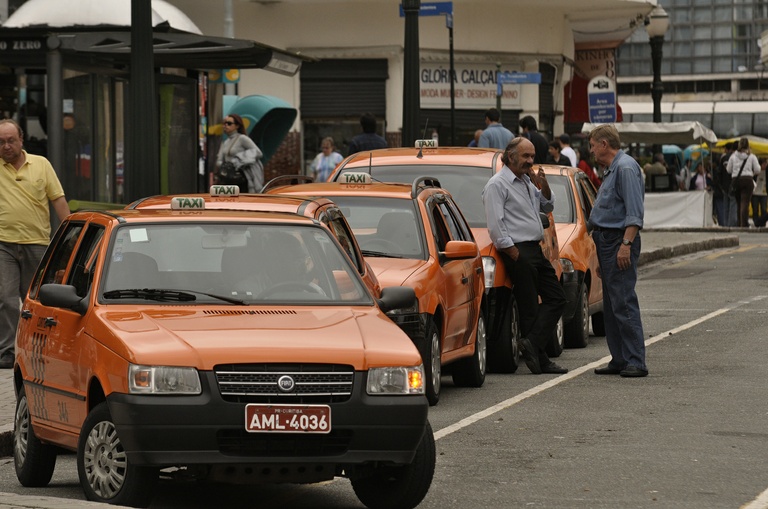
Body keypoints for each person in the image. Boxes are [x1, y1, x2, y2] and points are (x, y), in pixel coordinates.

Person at [482, 137, 567, 375]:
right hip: (518, 249)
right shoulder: (497, 185)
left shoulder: (526, 181)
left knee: (557, 297)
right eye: (525, 156)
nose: (530, 161)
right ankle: (540, 360)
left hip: (534, 248)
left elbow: (546, 207)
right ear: (510, 157)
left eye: (532, 156)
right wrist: (514, 252)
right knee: (529, 305)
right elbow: (496, 225)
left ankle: (531, 344)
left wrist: (544, 186)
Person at [0, 119, 70, 369]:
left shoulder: (41, 165)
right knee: (5, 300)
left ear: (21, 140)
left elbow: (58, 200)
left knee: (36, 301)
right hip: (3, 244)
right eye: (1, 142)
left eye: (11, 140)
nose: (6, 146)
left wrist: (70, 237)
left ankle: (36, 346)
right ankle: (7, 350)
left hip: (37, 243)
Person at [586, 124, 648, 378]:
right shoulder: (612, 169)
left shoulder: (624, 168)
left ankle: (636, 361)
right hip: (607, 242)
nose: (590, 151)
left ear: (603, 144)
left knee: (623, 301)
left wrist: (625, 245)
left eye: (592, 145)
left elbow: (634, 213)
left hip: (618, 240)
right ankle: (620, 358)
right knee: (611, 306)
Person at [216, 113, 263, 193]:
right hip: (228, 178)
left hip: (241, 177)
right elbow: (220, 159)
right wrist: (223, 165)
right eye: (224, 123)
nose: (226, 125)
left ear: (237, 126)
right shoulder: (226, 142)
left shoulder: (242, 138)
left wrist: (239, 159)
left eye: (229, 123)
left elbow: (258, 153)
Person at [726, 137, 760, 227]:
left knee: (738, 202)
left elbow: (728, 170)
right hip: (747, 180)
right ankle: (743, 223)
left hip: (736, 181)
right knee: (745, 202)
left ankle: (739, 223)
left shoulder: (733, 156)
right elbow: (758, 169)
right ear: (748, 146)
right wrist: (751, 173)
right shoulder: (752, 156)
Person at [714, 141, 738, 226]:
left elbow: (719, 172)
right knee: (733, 205)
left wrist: (721, 185)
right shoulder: (735, 158)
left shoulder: (723, 158)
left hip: (724, 185)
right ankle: (731, 224)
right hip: (733, 184)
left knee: (726, 206)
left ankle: (725, 224)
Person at [752, 159, 767, 227]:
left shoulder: (766, 172)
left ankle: (762, 223)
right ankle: (756, 222)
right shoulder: (756, 172)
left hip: (764, 193)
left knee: (764, 209)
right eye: (764, 163)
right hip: (755, 193)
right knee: (755, 209)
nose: (765, 165)